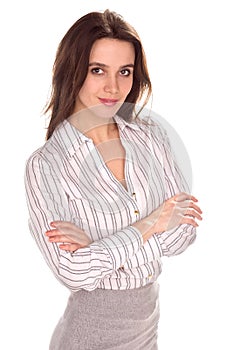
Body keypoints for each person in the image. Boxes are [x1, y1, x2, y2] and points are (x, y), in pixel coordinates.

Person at [24, 9, 202, 350]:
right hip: (86, 339)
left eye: (125, 72)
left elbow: (184, 234)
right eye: (97, 70)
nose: (113, 87)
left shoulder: (151, 137)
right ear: (72, 72)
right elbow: (72, 273)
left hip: (147, 335)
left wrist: (95, 247)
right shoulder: (46, 166)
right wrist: (153, 223)